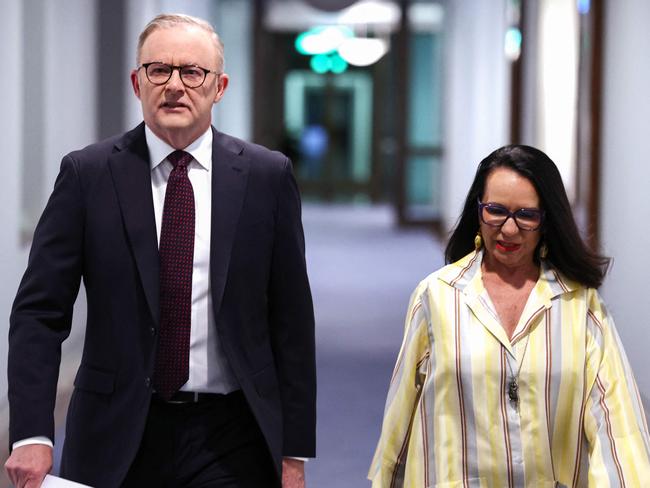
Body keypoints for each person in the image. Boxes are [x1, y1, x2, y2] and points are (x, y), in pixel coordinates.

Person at [5, 13, 315, 488]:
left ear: (219, 86)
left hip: (233, 432)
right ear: (136, 81)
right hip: (116, 427)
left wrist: (294, 450)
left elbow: (292, 321)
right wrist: (30, 432)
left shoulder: (266, 177)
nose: (175, 86)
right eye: (159, 70)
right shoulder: (88, 175)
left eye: (193, 72)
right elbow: (39, 313)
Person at [369, 145, 650, 486]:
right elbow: (401, 417)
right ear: (479, 211)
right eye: (496, 211)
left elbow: (616, 423)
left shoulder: (581, 305)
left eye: (526, 216)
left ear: (547, 220)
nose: (510, 230)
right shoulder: (437, 297)